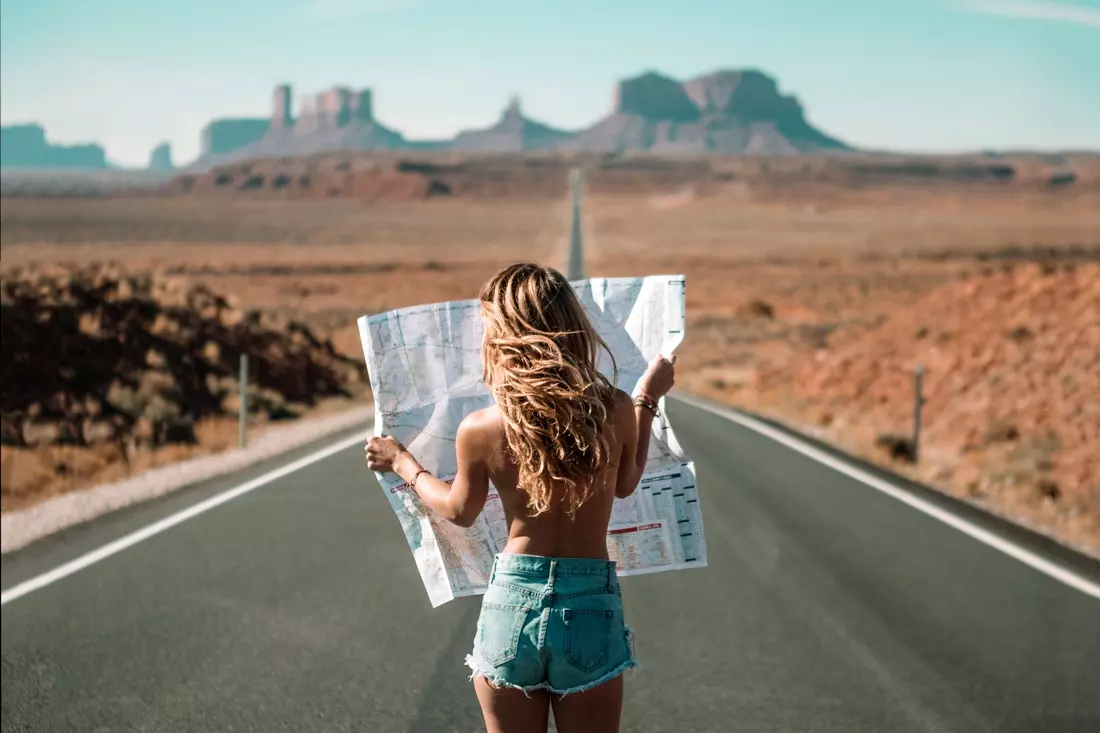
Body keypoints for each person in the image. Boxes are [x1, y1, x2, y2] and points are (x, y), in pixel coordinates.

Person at [365, 262, 676, 733]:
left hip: (512, 597)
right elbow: (627, 482)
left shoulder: (482, 429)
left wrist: (402, 461)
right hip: (589, 597)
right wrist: (647, 398)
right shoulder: (613, 407)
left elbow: (458, 511)